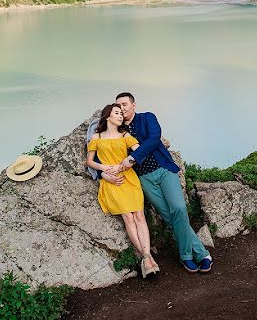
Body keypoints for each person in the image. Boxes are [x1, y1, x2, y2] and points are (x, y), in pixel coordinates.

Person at [116, 92, 213, 273]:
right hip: (144, 178)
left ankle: (187, 255)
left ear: (133, 105)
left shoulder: (147, 118)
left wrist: (133, 157)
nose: (122, 108)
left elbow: (154, 139)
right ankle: (202, 255)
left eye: (124, 104)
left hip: (163, 169)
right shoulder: (119, 130)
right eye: (118, 105)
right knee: (169, 218)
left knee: (179, 208)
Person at [86, 103, 159, 278]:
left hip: (129, 178)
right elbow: (89, 161)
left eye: (121, 113)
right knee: (128, 217)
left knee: (139, 215)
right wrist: (104, 169)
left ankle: (146, 257)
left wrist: (128, 160)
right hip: (113, 181)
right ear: (107, 116)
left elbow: (139, 151)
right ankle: (147, 258)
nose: (121, 115)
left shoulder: (125, 135)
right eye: (117, 113)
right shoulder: (96, 137)